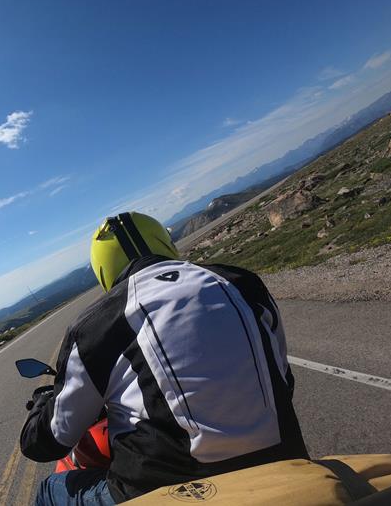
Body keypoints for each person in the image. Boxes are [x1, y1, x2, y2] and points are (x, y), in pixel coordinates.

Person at [19, 211, 308, 505]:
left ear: (103, 270)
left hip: (166, 493)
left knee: (49, 490)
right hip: (284, 466)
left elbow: (48, 443)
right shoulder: (242, 282)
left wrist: (42, 407)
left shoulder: (94, 327)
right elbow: (284, 381)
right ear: (163, 241)